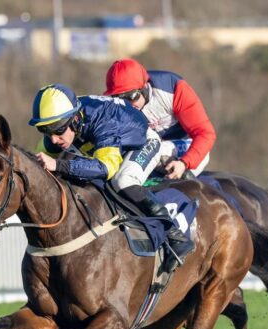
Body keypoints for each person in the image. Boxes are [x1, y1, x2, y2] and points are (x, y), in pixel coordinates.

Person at [28, 83, 194, 271]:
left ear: (75, 118)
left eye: (58, 130)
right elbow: (36, 165)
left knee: (123, 180)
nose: (53, 139)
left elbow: (106, 167)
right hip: (114, 145)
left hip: (143, 143)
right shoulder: (61, 126)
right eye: (45, 130)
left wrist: (59, 165)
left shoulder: (102, 121)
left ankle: (174, 234)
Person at [104, 58, 217, 179]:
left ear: (144, 87)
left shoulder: (175, 89)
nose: (128, 105)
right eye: (119, 99)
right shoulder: (115, 106)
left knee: (151, 152)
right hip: (148, 147)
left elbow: (206, 134)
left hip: (183, 146)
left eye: (131, 96)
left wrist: (184, 163)